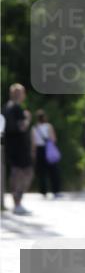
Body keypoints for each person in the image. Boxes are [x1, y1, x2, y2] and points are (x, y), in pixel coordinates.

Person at [3, 84, 34, 215]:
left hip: (9, 146)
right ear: (19, 94)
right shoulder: (17, 108)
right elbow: (22, 127)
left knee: (16, 173)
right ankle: (17, 203)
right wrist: (27, 118)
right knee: (25, 173)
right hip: (20, 147)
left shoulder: (5, 107)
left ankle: (17, 203)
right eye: (23, 93)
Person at [32, 109, 62, 198]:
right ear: (44, 117)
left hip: (39, 150)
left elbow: (33, 143)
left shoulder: (34, 128)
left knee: (41, 173)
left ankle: (43, 192)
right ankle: (55, 191)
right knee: (54, 171)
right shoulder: (49, 126)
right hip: (48, 150)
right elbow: (53, 139)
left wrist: (33, 153)